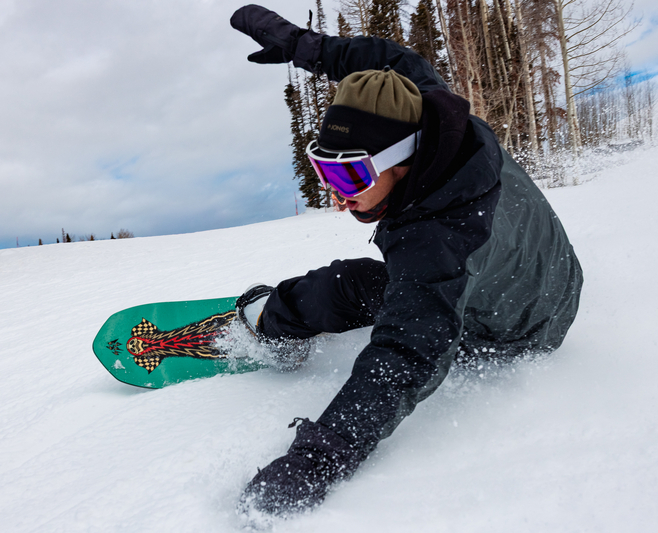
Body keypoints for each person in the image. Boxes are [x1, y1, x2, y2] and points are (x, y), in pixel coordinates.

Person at [230, 4, 583, 516]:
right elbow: (389, 60)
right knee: (396, 289)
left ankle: (268, 323)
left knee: (348, 285)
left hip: (520, 330)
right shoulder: (426, 112)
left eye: (350, 176)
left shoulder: (439, 239)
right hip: (548, 271)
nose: (337, 196)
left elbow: (406, 355)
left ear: (401, 163)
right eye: (324, 171)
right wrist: (305, 47)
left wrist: (316, 460)